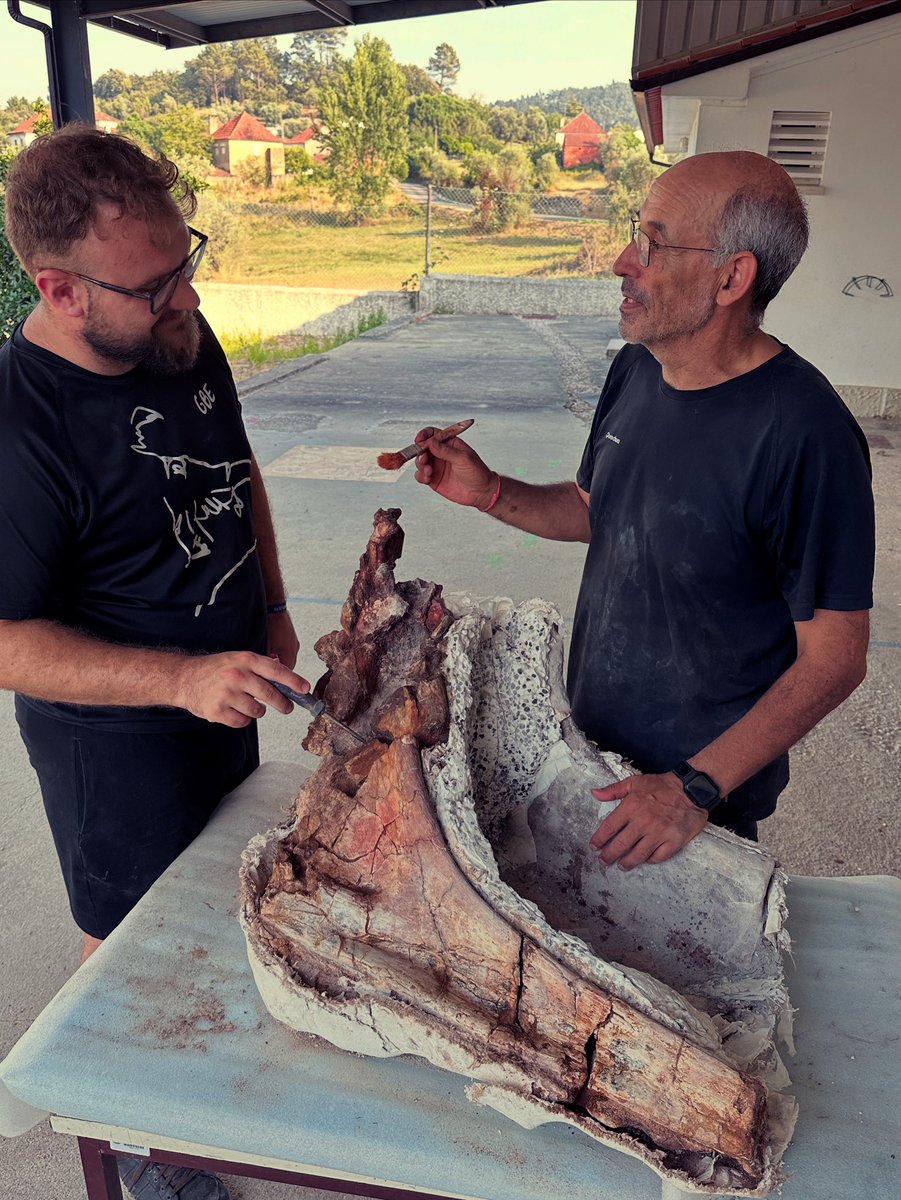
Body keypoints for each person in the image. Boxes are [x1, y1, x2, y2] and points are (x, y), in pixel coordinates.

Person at [0, 126, 310, 1200]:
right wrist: (179, 680)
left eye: (188, 264)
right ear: (62, 289)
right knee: (125, 942)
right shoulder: (19, 422)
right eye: (153, 285)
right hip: (112, 739)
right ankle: (141, 1149)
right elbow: (3, 642)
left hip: (223, 688)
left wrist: (268, 604)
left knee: (216, 899)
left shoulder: (175, 330)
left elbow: (239, 470)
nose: (184, 298)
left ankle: (197, 1086)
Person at [414, 150, 874, 873]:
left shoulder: (805, 434)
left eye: (654, 243)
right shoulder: (636, 368)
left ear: (731, 277)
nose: (623, 260)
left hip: (692, 811)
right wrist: (490, 490)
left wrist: (693, 788)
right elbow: (599, 511)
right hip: (591, 758)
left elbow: (836, 659)